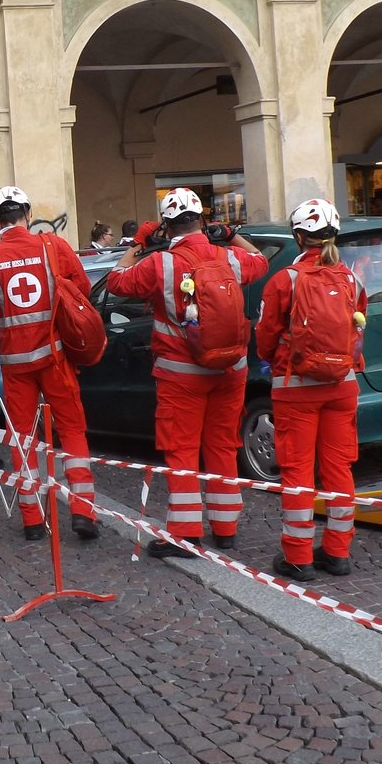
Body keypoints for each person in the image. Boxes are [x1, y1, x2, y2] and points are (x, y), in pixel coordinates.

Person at [105, 188, 268, 555]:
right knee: (223, 446)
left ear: (166, 225)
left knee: (181, 451)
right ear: (202, 221)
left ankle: (185, 534)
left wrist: (138, 242)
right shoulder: (230, 258)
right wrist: (230, 234)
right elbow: (260, 260)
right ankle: (226, 528)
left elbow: (116, 282)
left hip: (181, 375)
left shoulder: (160, 264)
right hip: (230, 370)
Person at [0, 186, 99, 540]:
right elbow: (81, 289)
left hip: (15, 362)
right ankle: (83, 511)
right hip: (55, 356)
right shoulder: (52, 246)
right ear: (27, 213)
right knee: (72, 430)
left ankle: (31, 519)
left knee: (22, 438)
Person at [255, 199, 368, 582]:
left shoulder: (284, 279)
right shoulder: (352, 279)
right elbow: (359, 328)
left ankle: (298, 556)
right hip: (343, 385)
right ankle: (338, 552)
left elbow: (265, 336)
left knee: (298, 472)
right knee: (339, 468)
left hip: (296, 387)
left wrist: (276, 358)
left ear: (299, 237)